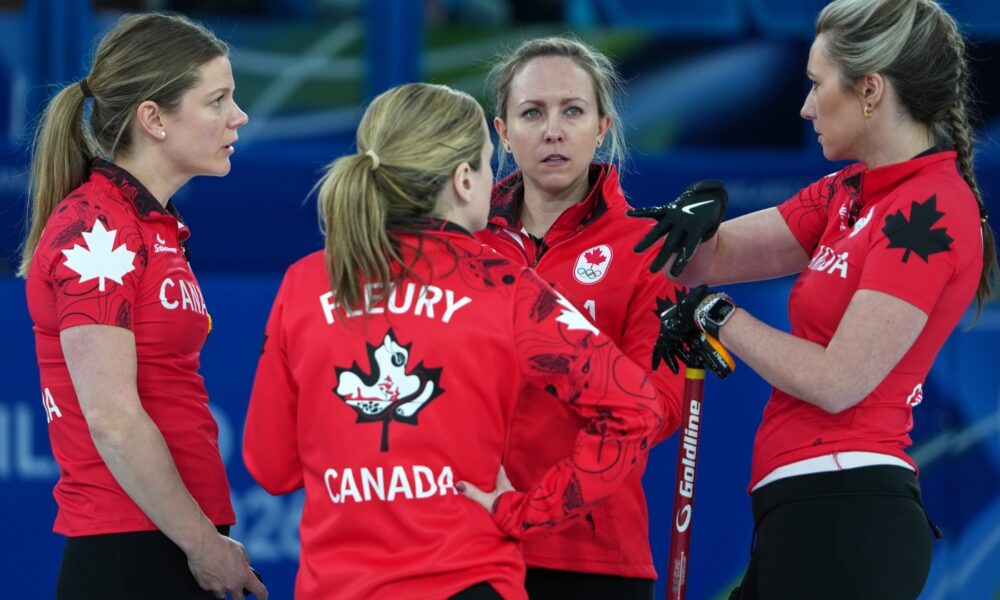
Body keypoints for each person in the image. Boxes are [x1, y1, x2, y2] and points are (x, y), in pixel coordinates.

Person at [241, 82, 671, 599]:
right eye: (491, 165)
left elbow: (271, 467)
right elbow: (637, 409)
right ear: (465, 180)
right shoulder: (506, 286)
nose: (495, 183)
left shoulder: (306, 281)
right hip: (469, 581)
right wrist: (529, 511)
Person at [631, 0, 999, 598]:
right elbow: (707, 259)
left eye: (815, 84)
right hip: (804, 509)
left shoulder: (929, 209)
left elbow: (838, 380)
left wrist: (718, 317)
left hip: (847, 509)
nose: (804, 107)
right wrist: (686, 217)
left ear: (870, 90)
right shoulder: (847, 192)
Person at [19, 13, 265, 600]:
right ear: (153, 118)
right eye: (218, 100)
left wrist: (202, 538)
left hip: (167, 537)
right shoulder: (96, 228)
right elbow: (112, 418)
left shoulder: (148, 223)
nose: (239, 116)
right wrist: (204, 546)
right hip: (133, 546)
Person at [475, 36, 684, 598]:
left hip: (593, 556)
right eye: (532, 113)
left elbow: (660, 409)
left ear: (602, 127)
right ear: (502, 132)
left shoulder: (648, 248)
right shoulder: (463, 245)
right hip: (472, 545)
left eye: (572, 111)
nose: (553, 130)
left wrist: (555, 354)